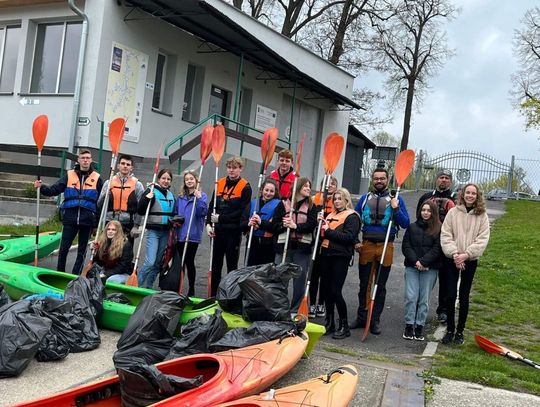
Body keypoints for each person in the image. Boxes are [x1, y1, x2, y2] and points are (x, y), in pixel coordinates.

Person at [351, 168, 410, 335]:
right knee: (364, 284)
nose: (379, 181)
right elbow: (353, 220)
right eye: (376, 178)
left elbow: (405, 223)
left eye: (382, 178)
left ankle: (375, 319)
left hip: (386, 246)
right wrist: (355, 241)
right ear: (372, 180)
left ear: (387, 179)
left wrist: (396, 209)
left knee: (380, 285)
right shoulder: (364, 199)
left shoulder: (396, 199)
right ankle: (362, 316)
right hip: (367, 244)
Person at [34, 149, 102, 275]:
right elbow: (54, 189)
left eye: (88, 158)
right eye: (83, 158)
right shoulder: (69, 175)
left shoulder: (97, 178)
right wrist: (42, 187)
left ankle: (75, 275)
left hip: (87, 219)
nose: (85, 160)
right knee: (64, 248)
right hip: (70, 217)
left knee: (82, 251)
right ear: (78, 160)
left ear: (91, 160)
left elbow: (100, 203)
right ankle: (60, 273)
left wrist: (96, 224)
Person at [440, 183, 490, 345]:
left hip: (469, 260)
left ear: (477, 196)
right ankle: (449, 330)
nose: (470, 195)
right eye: (467, 192)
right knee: (450, 294)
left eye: (473, 193)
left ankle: (460, 331)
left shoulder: (482, 215)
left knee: (464, 296)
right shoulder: (453, 213)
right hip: (452, 259)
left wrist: (466, 255)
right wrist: (455, 254)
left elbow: (482, 239)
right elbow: (446, 234)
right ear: (462, 194)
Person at [206, 157, 252, 296]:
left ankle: (230, 295)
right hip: (217, 232)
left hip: (233, 232)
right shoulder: (219, 183)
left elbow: (242, 212)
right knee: (215, 266)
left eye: (235, 167)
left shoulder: (245, 187)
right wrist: (208, 224)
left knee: (232, 266)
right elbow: (211, 206)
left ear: (240, 169)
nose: (232, 170)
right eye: (230, 167)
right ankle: (213, 294)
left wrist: (221, 218)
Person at [318, 188, 360, 339]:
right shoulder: (330, 214)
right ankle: (329, 322)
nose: (336, 201)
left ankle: (344, 325)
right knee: (327, 291)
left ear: (346, 200)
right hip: (326, 254)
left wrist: (327, 231)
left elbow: (349, 237)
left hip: (340, 257)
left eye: (340, 199)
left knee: (336, 292)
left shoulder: (352, 217)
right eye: (335, 199)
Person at [416, 169, 456, 323]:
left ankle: (443, 310)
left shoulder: (455, 199)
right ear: (436, 179)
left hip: (446, 244)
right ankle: (419, 308)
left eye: (446, 178)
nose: (443, 180)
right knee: (424, 278)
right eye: (441, 177)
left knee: (445, 280)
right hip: (428, 245)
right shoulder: (426, 197)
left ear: (450, 181)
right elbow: (419, 219)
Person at [273, 177, 317, 314]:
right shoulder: (283, 204)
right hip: (284, 247)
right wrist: (283, 225)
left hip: (302, 248)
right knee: (280, 277)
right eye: (305, 186)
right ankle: (280, 306)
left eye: (309, 187)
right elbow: (275, 224)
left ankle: (295, 308)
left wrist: (295, 226)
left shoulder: (311, 206)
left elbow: (311, 225)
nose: (308, 189)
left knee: (300, 278)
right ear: (298, 188)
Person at [401, 200, 442, 341]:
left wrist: (424, 262)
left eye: (429, 210)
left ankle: (419, 325)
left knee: (424, 298)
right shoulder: (412, 227)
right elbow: (406, 246)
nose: (426, 213)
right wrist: (416, 262)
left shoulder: (438, 229)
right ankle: (409, 324)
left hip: (429, 268)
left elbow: (437, 249)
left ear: (433, 213)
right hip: (412, 267)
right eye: (423, 210)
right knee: (411, 297)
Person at [137, 169, 175, 288]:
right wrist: (145, 199)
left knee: (157, 264)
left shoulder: (171, 195)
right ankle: (136, 285)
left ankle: (148, 287)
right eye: (163, 178)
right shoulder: (151, 191)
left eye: (168, 179)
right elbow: (141, 210)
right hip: (153, 231)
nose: (166, 181)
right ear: (158, 179)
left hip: (165, 232)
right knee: (150, 262)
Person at [174, 170, 208, 296]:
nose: (189, 181)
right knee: (180, 262)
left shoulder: (202, 196)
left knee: (189, 260)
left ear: (196, 180)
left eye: (191, 179)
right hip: (181, 234)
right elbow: (176, 213)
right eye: (187, 179)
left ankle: (192, 288)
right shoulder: (181, 197)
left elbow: (202, 213)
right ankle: (179, 286)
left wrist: (199, 199)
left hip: (192, 234)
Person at [98, 154, 144, 246]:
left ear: (131, 168)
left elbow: (140, 208)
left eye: (128, 164)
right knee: (107, 250)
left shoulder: (137, 185)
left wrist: (136, 225)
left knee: (125, 251)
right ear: (118, 166)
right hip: (110, 222)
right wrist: (105, 196)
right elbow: (99, 204)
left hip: (127, 223)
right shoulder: (109, 182)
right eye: (123, 163)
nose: (125, 166)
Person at [309, 175, 338, 318]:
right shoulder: (315, 199)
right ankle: (312, 304)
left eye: (333, 184)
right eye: (327, 183)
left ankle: (321, 303)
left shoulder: (338, 200)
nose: (330, 186)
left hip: (329, 243)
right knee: (314, 276)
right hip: (315, 241)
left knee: (326, 276)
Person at [241, 178, 280, 266]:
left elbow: (277, 227)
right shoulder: (253, 204)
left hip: (268, 244)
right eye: (266, 190)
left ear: (275, 192)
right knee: (250, 270)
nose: (268, 193)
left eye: (271, 191)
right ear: (262, 190)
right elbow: (242, 223)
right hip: (252, 241)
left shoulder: (279, 206)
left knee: (265, 273)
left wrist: (261, 222)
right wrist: (249, 223)